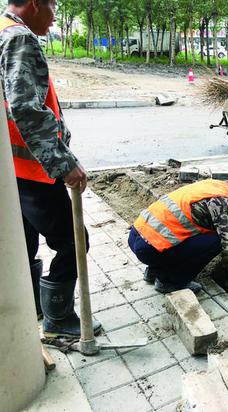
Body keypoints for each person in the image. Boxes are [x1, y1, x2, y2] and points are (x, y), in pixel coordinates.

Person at [0, 0, 101, 338]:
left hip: (10, 170)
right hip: (32, 170)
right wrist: (64, 163)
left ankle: (33, 310)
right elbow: (25, 110)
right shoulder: (19, 39)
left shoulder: (1, 30)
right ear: (33, 3)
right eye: (53, 4)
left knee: (23, 242)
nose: (55, 13)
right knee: (74, 242)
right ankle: (57, 321)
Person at [128, 174, 228, 293]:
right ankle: (169, 281)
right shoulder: (225, 204)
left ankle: (154, 271)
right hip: (150, 250)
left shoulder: (214, 185)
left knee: (188, 233)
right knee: (217, 241)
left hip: (136, 236)